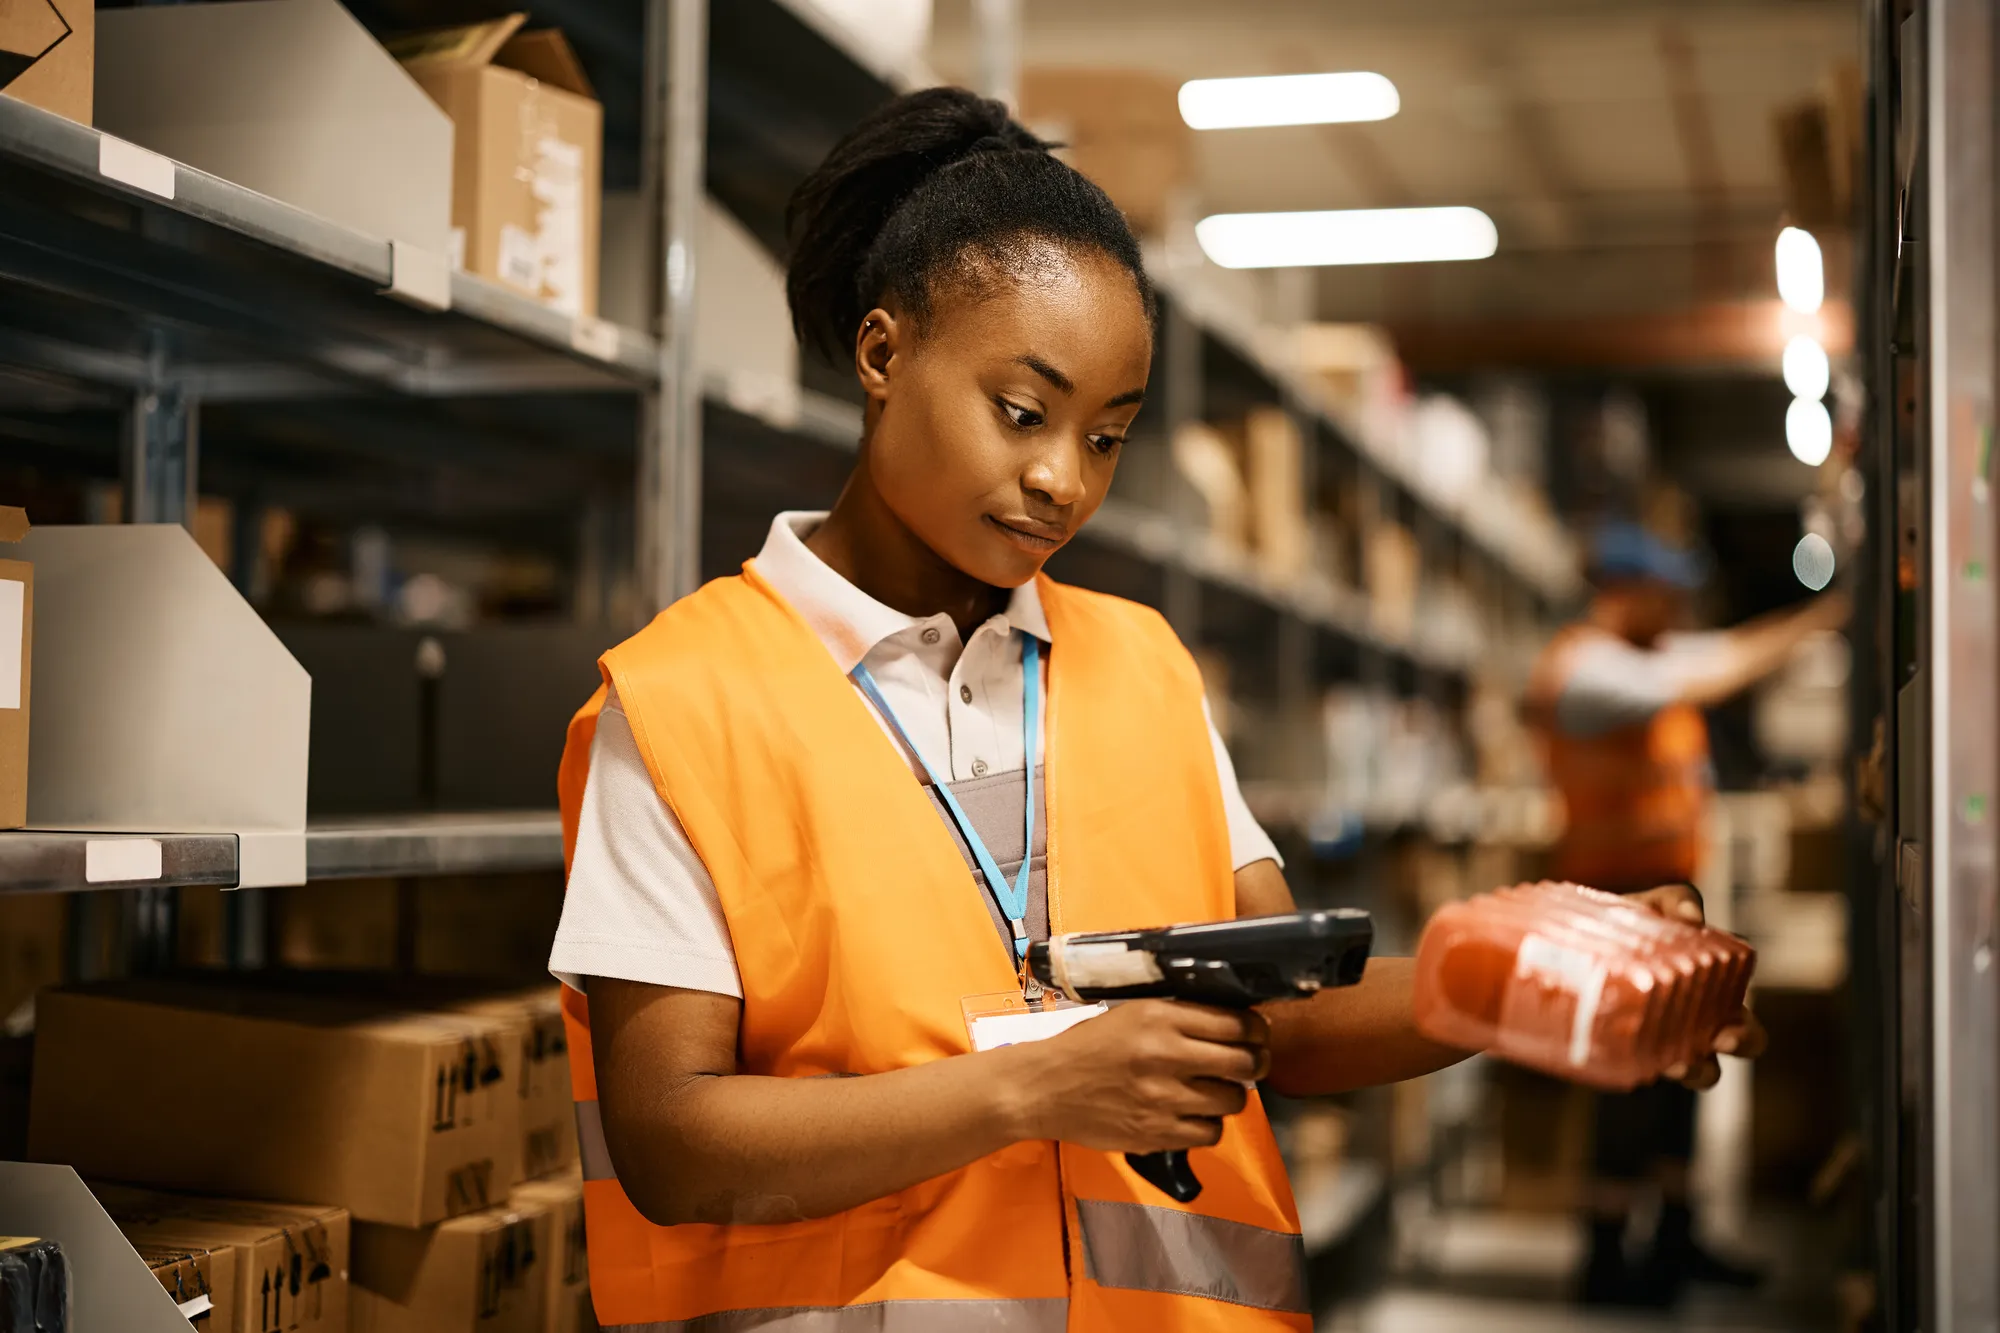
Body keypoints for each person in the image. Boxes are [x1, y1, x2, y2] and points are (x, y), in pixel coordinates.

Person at [548, 89, 1759, 1332]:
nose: (1061, 481)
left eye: (1108, 437)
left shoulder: (1138, 664)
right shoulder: (685, 697)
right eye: (1022, 413)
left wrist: (1545, 966)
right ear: (881, 354)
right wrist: (1031, 1088)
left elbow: (1290, 1019)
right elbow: (672, 1136)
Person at [1525, 520, 1842, 1307]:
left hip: (1663, 898)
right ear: (1622, 592)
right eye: (1665, 592)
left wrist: (1823, 616)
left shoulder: (1639, 654)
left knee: (1674, 1075)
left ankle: (1673, 1238)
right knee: (1624, 1080)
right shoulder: (1586, 671)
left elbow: (1725, 648)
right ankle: (1605, 1260)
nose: (1679, 606)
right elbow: (1717, 672)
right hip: (1612, 902)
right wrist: (1825, 618)